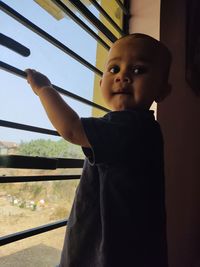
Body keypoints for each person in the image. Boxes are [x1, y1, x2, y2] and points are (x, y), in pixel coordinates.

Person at [25, 33, 172, 267]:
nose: (123, 76)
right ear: (101, 82)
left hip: (112, 254)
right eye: (114, 69)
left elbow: (71, 129)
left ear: (162, 91)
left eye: (138, 70)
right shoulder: (145, 129)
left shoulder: (131, 126)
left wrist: (43, 88)